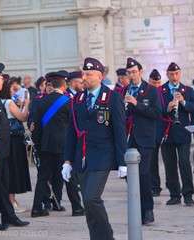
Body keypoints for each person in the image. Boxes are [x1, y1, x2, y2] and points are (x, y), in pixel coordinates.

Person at [62, 57, 127, 240]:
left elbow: (119, 130)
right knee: (87, 203)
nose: (84, 77)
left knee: (92, 197)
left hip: (103, 155)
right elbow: (71, 132)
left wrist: (122, 161)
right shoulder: (78, 99)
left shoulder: (112, 97)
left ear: (100, 77)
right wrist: (67, 161)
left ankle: (107, 236)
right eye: (83, 73)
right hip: (81, 157)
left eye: (89, 74)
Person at [122, 58, 162, 224]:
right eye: (129, 73)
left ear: (141, 72)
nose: (131, 75)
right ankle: (136, 208)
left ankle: (148, 209)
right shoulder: (125, 90)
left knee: (144, 175)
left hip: (145, 139)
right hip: (129, 139)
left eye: (134, 72)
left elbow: (157, 113)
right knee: (129, 176)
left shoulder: (151, 91)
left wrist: (137, 104)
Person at [0, 63, 29, 231]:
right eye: (0, 79)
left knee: (3, 185)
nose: (2, 82)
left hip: (3, 150)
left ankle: (9, 215)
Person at [31, 70, 72, 217]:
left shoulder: (41, 101)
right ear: (64, 85)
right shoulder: (68, 102)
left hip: (46, 145)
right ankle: (76, 206)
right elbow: (72, 126)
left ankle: (36, 208)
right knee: (67, 175)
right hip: (63, 145)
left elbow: (36, 126)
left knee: (43, 177)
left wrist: (37, 143)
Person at [158, 62, 194, 206]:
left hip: (182, 133)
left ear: (180, 74)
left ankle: (188, 194)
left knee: (185, 163)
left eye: (176, 74)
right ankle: (174, 194)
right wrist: (166, 108)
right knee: (170, 165)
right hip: (166, 133)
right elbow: (155, 110)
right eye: (171, 74)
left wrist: (184, 102)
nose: (174, 77)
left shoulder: (187, 90)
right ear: (167, 75)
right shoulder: (160, 91)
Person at [0, 79, 31, 213]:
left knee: (7, 170)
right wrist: (26, 105)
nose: (14, 92)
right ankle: (12, 201)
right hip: (14, 140)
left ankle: (8, 201)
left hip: (5, 140)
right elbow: (23, 117)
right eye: (12, 89)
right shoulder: (8, 102)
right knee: (14, 169)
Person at [148, 69, 162, 197]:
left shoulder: (165, 92)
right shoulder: (148, 92)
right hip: (152, 131)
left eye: (158, 83)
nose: (156, 86)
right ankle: (155, 186)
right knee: (152, 161)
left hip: (166, 130)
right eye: (154, 83)